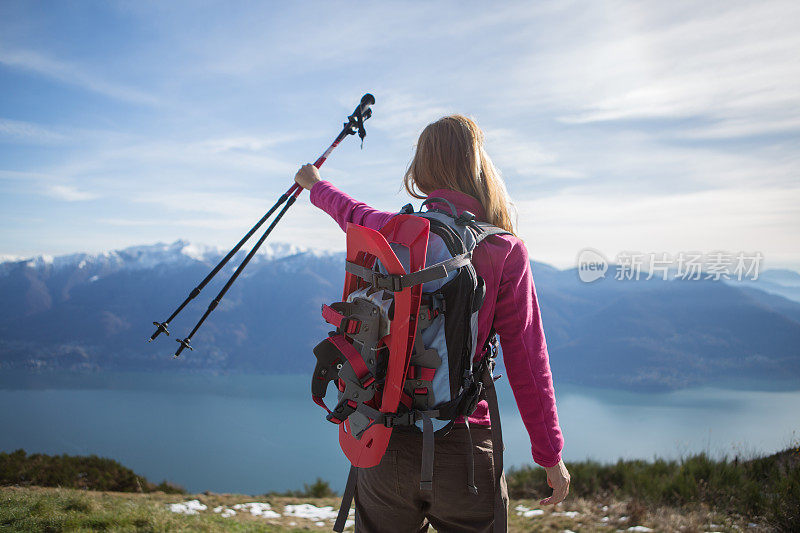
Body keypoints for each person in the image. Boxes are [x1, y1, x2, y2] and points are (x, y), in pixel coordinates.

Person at [295, 114, 569, 532]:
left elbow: (349, 210)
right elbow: (528, 364)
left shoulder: (393, 230)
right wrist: (550, 456)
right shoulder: (503, 249)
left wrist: (314, 184)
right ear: (478, 166)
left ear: (422, 170)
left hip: (382, 440)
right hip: (463, 452)